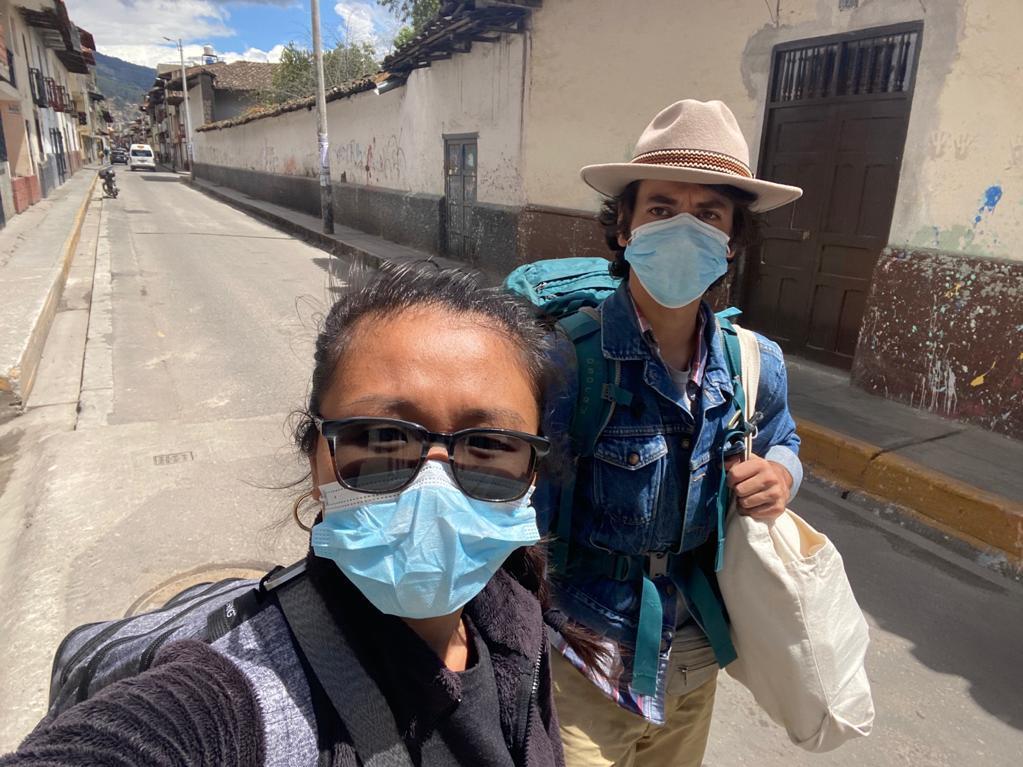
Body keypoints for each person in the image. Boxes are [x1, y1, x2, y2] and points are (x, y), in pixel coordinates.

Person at [2, 266, 598, 766]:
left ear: (532, 472)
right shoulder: (238, 697)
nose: (434, 487)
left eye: (488, 445)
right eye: (382, 437)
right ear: (316, 456)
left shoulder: (514, 615)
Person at [536, 100, 805, 766]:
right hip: (582, 660)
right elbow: (519, 516)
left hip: (694, 660)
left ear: (730, 241)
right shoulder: (567, 360)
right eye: (660, 208)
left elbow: (785, 442)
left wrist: (780, 476)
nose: (684, 227)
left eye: (707, 213)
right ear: (623, 228)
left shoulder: (753, 362)